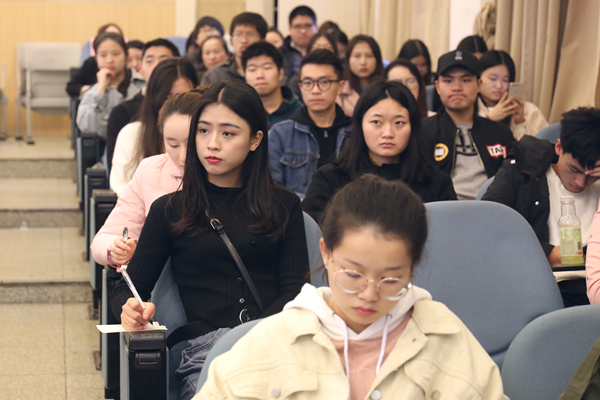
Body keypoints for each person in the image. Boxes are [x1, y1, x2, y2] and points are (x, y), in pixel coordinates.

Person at [195, 174, 507, 400]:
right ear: (326, 253)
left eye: (391, 279)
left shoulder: (443, 338)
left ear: (412, 267)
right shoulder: (276, 340)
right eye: (353, 275)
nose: (370, 294)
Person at [111, 80, 310, 400]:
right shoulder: (170, 210)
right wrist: (129, 307)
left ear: (256, 139)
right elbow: (127, 286)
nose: (211, 144)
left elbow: (295, 290)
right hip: (206, 349)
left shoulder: (283, 205)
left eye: (228, 133)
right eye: (203, 131)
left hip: (273, 343)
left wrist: (253, 337)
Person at [483, 107, 600, 307]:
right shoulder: (523, 171)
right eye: (574, 169)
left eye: (593, 175)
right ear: (559, 147)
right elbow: (488, 226)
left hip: (591, 288)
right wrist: (548, 253)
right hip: (536, 285)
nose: (580, 182)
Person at [303, 81, 456, 223]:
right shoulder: (329, 179)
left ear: (413, 127)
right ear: (360, 125)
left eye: (399, 123)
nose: (388, 133)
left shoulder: (437, 183)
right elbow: (312, 239)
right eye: (377, 122)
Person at [91, 91, 203, 266]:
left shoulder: (229, 172)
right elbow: (103, 239)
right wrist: (116, 249)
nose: (183, 156)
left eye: (191, 144)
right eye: (172, 144)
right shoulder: (152, 170)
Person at [420, 50, 513, 200]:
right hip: (441, 213)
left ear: (478, 85)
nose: (457, 87)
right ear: (437, 86)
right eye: (448, 81)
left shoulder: (501, 134)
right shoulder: (422, 132)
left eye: (465, 80)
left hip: (492, 211)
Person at [269, 49, 351, 198]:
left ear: (340, 86)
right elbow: (272, 190)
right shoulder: (280, 134)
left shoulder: (355, 132)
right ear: (300, 87)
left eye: (324, 82)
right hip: (298, 217)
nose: (315, 90)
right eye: (308, 83)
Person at [110, 58, 198, 196]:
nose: (175, 104)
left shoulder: (206, 137)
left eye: (183, 96)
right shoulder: (132, 133)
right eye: (167, 97)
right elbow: (121, 186)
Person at [105, 38, 180, 171]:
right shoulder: (122, 112)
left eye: (163, 60)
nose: (156, 66)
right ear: (140, 70)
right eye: (149, 61)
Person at [76, 33, 143, 141]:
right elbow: (86, 126)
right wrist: (101, 88)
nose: (109, 60)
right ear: (96, 58)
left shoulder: (139, 85)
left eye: (116, 54)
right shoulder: (93, 92)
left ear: (126, 56)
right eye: (103, 55)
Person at [477, 50, 549, 140]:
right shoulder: (468, 109)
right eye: (493, 78)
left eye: (505, 80)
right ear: (478, 78)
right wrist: (489, 120)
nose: (499, 86)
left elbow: (543, 147)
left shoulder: (529, 110)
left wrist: (520, 123)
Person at [242, 42, 302, 129]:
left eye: (267, 68)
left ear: (281, 73)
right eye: (252, 69)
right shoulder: (241, 114)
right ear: (244, 76)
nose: (260, 75)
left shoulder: (299, 112)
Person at [200, 12, 267, 85]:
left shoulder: (270, 74)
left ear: (263, 40)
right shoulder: (215, 76)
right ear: (231, 41)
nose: (244, 40)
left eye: (250, 34)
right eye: (238, 34)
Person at [337, 35, 383, 117]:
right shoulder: (340, 90)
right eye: (357, 56)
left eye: (369, 56)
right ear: (348, 60)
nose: (363, 62)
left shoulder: (386, 89)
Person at [280, 6, 318, 81]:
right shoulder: (280, 53)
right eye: (297, 27)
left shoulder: (323, 49)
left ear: (316, 27)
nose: (303, 31)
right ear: (290, 28)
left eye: (308, 26)